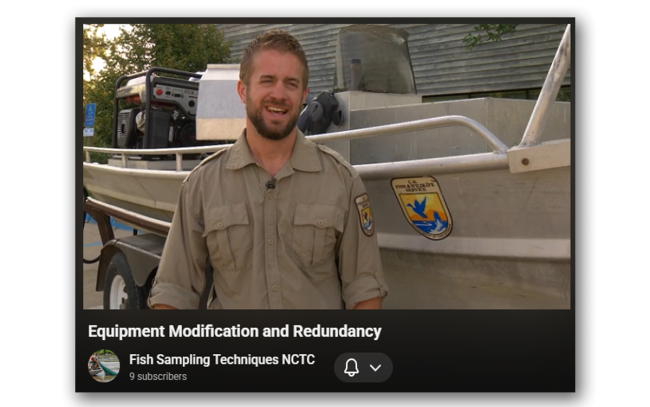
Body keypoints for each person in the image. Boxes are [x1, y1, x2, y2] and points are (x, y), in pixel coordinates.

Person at [146, 29, 388, 309]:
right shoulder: (202, 186)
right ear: (243, 90)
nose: (279, 94)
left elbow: (364, 291)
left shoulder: (342, 182)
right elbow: (173, 291)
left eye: (291, 84)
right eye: (267, 80)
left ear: (303, 96)